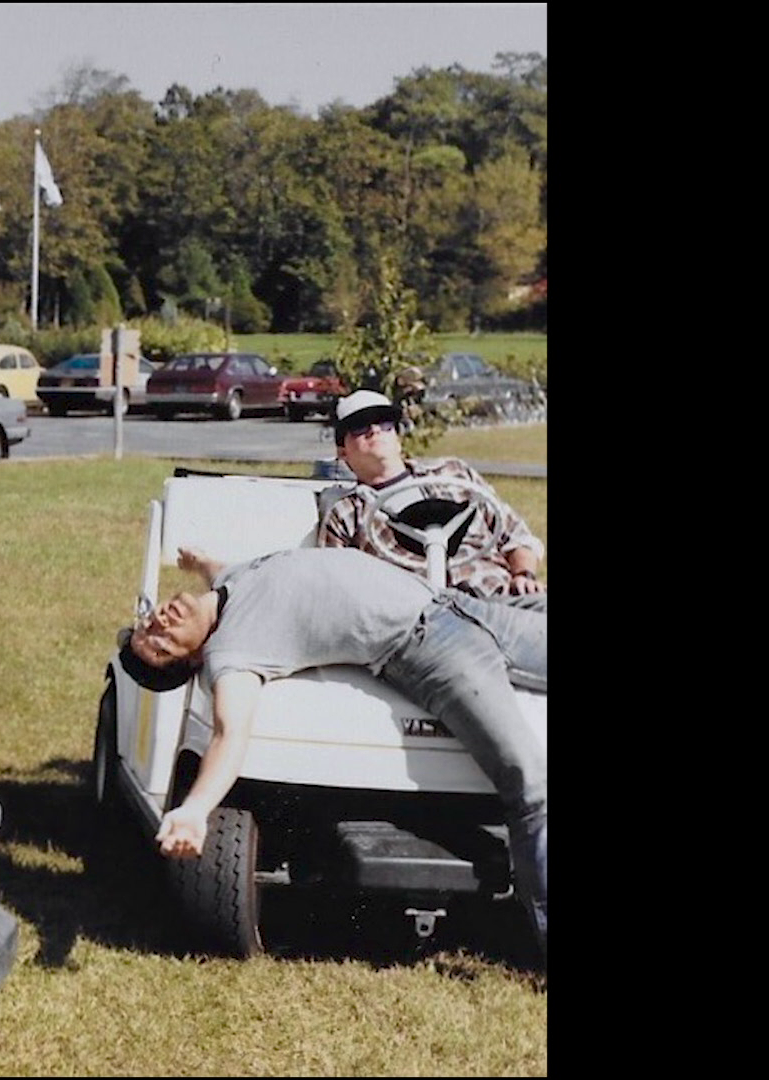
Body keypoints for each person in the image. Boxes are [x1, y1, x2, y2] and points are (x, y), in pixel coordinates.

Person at [117, 544, 546, 951]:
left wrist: (199, 561)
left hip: (458, 606)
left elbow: (219, 571)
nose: (158, 623)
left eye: (147, 626)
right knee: (531, 785)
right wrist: (196, 809)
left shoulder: (231, 580)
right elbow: (229, 733)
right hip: (433, 648)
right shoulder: (232, 652)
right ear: (193, 659)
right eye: (161, 644)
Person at [318, 389, 545, 610]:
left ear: (398, 438)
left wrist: (523, 574)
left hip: (499, 597)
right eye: (360, 426)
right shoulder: (347, 512)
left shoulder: (454, 474)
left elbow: (516, 537)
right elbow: (336, 591)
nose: (375, 430)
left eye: (385, 423)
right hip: (421, 618)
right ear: (342, 452)